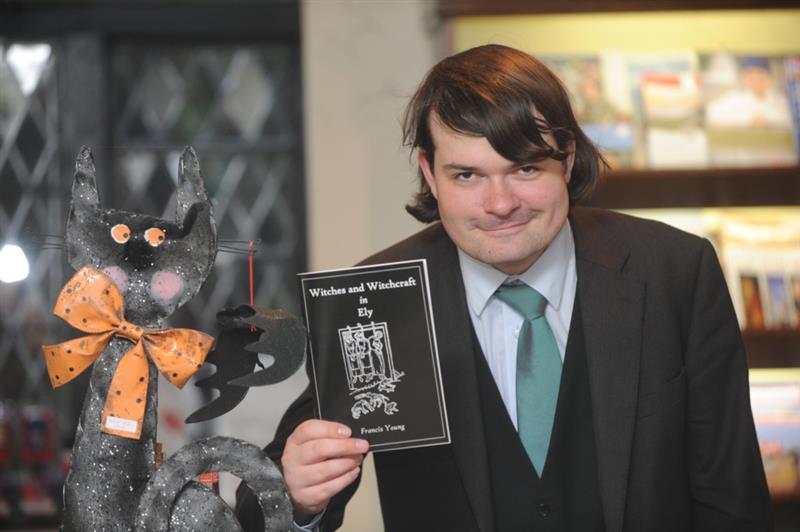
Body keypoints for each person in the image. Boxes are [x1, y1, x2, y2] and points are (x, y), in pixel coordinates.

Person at [235, 44, 772, 531]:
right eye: (467, 176)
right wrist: (298, 496)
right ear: (430, 173)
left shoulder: (675, 271)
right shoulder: (378, 297)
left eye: (525, 169)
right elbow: (266, 502)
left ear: (567, 158)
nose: (500, 205)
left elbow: (733, 500)